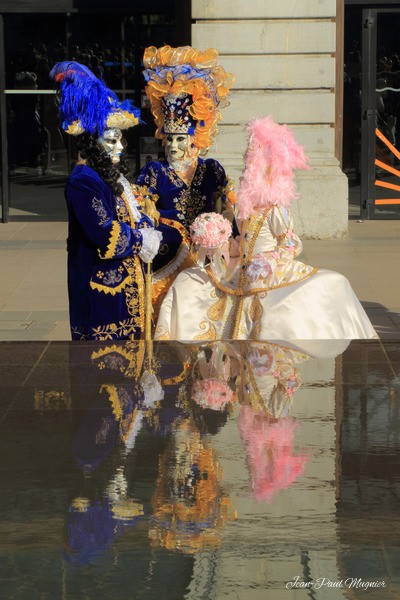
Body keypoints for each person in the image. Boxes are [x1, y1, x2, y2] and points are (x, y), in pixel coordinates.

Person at [154, 116, 378, 340]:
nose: (246, 174)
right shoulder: (245, 210)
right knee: (188, 283)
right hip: (239, 270)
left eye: (252, 169)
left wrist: (269, 260)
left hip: (268, 272)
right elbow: (241, 242)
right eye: (246, 169)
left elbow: (291, 243)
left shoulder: (274, 210)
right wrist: (220, 243)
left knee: (300, 297)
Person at [50, 61, 162, 341]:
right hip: (100, 289)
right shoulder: (83, 181)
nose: (120, 147)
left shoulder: (108, 177)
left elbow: (129, 215)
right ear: (91, 143)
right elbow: (106, 233)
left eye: (119, 139)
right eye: (111, 141)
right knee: (101, 370)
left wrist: (147, 225)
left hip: (123, 287)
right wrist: (142, 239)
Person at [136, 45, 236, 314]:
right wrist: (151, 213)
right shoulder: (154, 172)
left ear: (194, 141)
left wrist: (223, 227)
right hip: (169, 254)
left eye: (181, 139)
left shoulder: (212, 170)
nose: (173, 146)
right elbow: (141, 211)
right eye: (170, 139)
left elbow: (228, 208)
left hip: (209, 255)